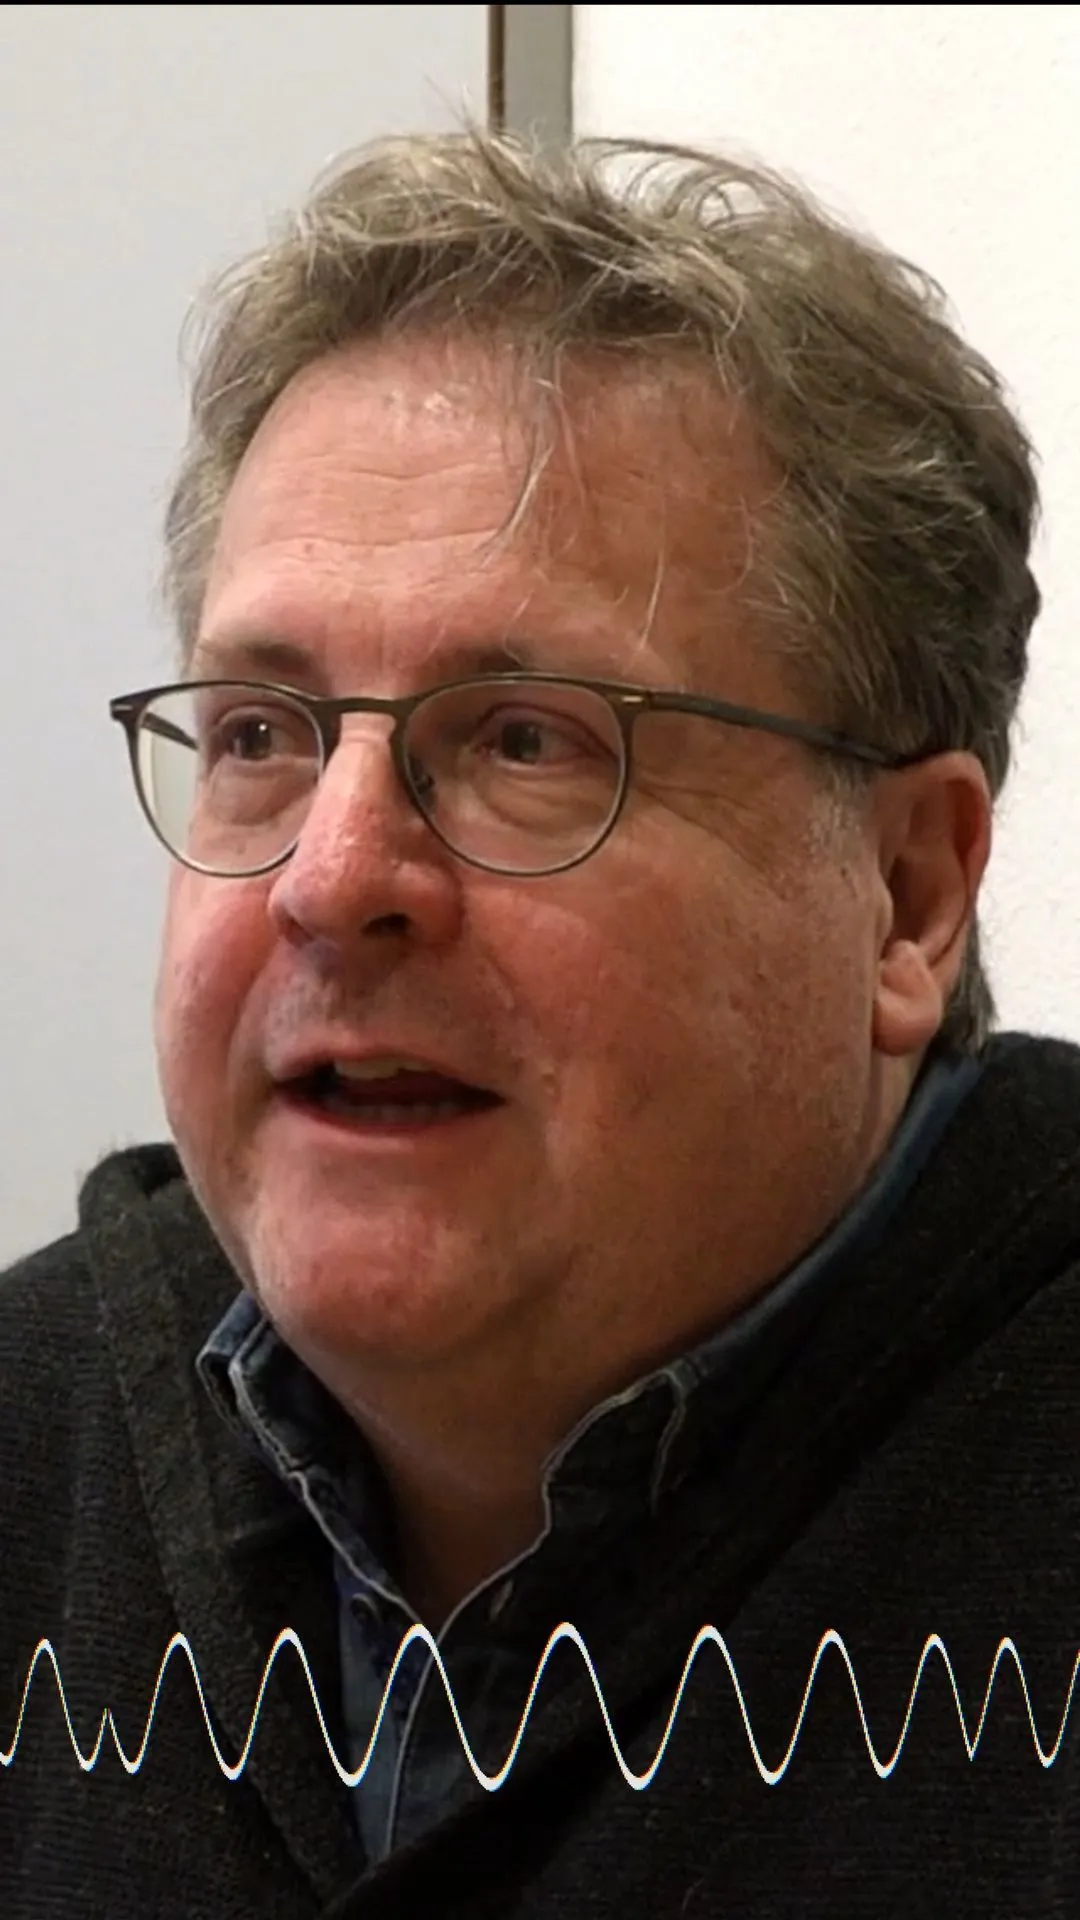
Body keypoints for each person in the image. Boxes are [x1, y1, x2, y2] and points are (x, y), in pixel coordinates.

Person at [2, 126, 1078, 1920]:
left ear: (905, 894)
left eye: (525, 742)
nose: (332, 878)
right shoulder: (33, 1448)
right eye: (262, 734)